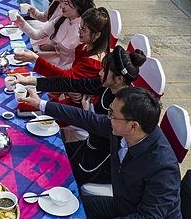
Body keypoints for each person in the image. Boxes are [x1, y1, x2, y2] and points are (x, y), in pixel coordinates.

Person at [24, 86, 182, 219]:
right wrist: (40, 104)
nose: (108, 118)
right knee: (64, 205)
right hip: (124, 206)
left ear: (133, 126)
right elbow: (87, 119)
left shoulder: (162, 166)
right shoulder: (124, 130)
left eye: (112, 115)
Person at [17, 46, 148, 184]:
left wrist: (41, 104)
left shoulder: (126, 108)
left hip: (100, 162)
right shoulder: (107, 84)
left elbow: (87, 119)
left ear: (119, 79)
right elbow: (71, 83)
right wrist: (32, 82)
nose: (100, 73)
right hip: (88, 144)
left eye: (104, 70)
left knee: (52, 174)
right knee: (40, 152)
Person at [13, 0, 96, 70]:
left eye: (66, 3)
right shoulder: (62, 19)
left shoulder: (83, 30)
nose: (61, 6)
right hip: (57, 65)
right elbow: (37, 35)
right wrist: (21, 22)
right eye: (62, 2)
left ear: (78, 6)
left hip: (66, 71)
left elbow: (75, 67)